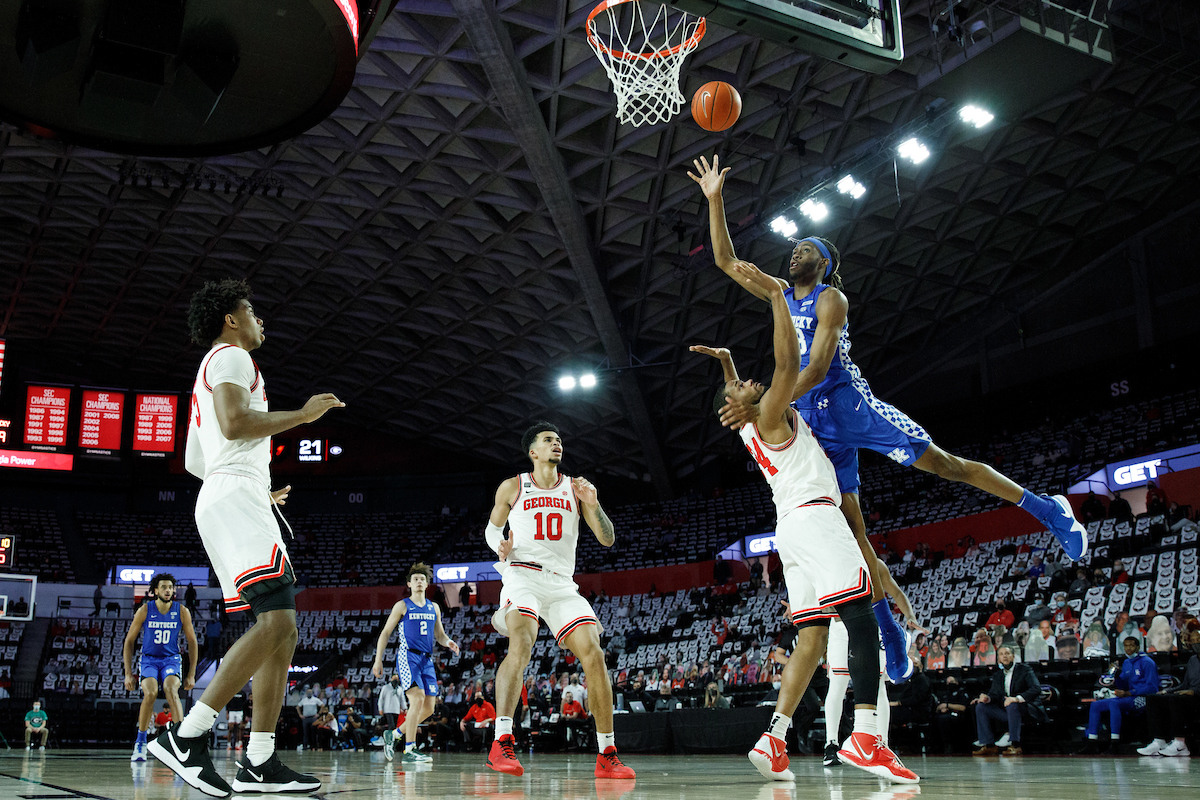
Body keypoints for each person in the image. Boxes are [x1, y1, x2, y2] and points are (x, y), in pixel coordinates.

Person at [689, 154, 1088, 684]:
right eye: (792, 249)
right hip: (808, 419)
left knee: (946, 465)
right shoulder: (779, 294)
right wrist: (715, 199)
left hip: (846, 402)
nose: (794, 253)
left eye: (806, 249)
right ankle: (889, 629)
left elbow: (821, 365)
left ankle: (1048, 510)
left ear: (824, 263)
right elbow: (724, 259)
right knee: (852, 532)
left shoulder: (832, 299)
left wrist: (771, 404)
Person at [689, 260, 916, 785]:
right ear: (740, 406)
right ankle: (864, 737)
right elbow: (788, 363)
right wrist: (776, 300)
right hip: (817, 519)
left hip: (788, 531)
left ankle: (773, 739)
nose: (750, 382)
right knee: (861, 621)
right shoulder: (769, 410)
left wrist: (725, 366)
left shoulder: (747, 425)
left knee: (811, 639)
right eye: (742, 386)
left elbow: (738, 391)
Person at [149, 279, 342, 796]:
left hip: (230, 494)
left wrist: (251, 484)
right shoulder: (231, 356)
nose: (261, 320)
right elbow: (235, 424)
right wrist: (302, 416)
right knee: (278, 621)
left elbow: (197, 459)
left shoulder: (209, 371)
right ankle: (187, 735)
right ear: (231, 319)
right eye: (252, 310)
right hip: (234, 497)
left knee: (284, 631)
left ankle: (259, 761)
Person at [480, 422, 635, 779]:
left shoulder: (576, 488)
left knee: (594, 654)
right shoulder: (514, 485)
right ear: (532, 451)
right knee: (521, 642)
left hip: (562, 583)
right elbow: (491, 529)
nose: (557, 444)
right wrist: (498, 545)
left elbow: (607, 539)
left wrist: (593, 505)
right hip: (522, 574)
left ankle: (606, 752)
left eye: (560, 440)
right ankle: (501, 741)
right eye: (549, 440)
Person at [821, 563, 912, 766]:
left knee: (878, 686)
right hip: (840, 628)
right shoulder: (831, 560)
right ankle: (831, 744)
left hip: (870, 625)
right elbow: (823, 603)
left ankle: (882, 743)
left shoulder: (874, 563)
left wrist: (910, 617)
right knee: (837, 686)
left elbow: (896, 591)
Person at [372, 561, 459, 764]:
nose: (419, 581)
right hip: (408, 656)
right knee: (417, 699)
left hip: (427, 659)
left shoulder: (434, 607)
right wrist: (378, 660)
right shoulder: (402, 605)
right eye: (415, 579)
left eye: (422, 579)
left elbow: (440, 635)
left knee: (429, 708)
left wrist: (449, 643)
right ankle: (409, 749)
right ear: (409, 584)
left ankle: (393, 735)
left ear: (427, 584)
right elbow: (385, 633)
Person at [122, 573, 198, 762]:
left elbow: (192, 642)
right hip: (149, 659)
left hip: (171, 658)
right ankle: (140, 743)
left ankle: (181, 742)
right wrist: (128, 673)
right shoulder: (145, 610)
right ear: (155, 590)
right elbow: (129, 640)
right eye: (164, 587)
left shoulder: (182, 611)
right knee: (150, 694)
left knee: (171, 690)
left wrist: (191, 674)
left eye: (171, 587)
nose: (168, 590)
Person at [1077, 637, 1159, 753]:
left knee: (1114, 703)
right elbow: (1123, 686)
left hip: (1145, 698)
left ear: (1138, 647)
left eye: (1131, 645)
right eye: (1126, 646)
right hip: (1129, 696)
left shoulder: (1147, 662)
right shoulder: (1126, 662)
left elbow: (1152, 688)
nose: (1128, 648)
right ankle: (1092, 742)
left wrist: (1129, 693)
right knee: (1096, 705)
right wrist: (1116, 675)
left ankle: (1115, 743)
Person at [1138, 617, 1199, 757]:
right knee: (1154, 698)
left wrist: (1193, 691)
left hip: (1197, 696)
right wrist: (1167, 691)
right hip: (1190, 695)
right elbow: (1185, 684)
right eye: (1194, 640)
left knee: (1176, 700)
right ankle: (1159, 740)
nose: (1196, 643)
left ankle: (1180, 744)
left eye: (1198, 640)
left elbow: (1191, 688)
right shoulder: (1192, 660)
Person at [970, 645, 1046, 756]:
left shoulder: (1024, 669)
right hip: (1007, 711)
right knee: (981, 707)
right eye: (1001, 654)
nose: (1004, 656)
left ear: (1013, 656)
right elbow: (994, 695)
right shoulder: (998, 675)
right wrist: (986, 698)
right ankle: (989, 745)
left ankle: (1015, 745)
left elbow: (1036, 689)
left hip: (1026, 709)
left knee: (1012, 704)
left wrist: (1016, 699)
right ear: (998, 659)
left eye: (1007, 653)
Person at [934, 675, 971, 754]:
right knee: (934, 718)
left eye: (951, 682)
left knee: (944, 719)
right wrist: (941, 708)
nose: (949, 684)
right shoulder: (945, 694)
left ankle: (949, 745)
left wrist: (947, 706)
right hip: (943, 714)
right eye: (947, 683)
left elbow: (963, 707)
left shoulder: (961, 692)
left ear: (956, 682)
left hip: (957, 715)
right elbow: (938, 706)